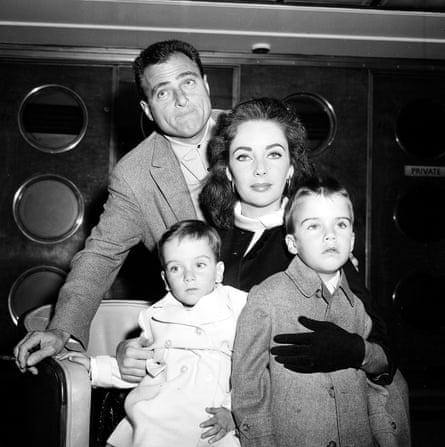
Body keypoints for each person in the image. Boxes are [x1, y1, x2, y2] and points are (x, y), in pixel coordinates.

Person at [14, 39, 218, 374]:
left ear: (206, 85)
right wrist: (61, 328)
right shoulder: (133, 174)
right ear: (148, 109)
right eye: (163, 92)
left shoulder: (256, 132)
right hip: (196, 343)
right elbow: (101, 254)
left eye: (189, 82)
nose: (181, 100)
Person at [199, 97, 393, 380]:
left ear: (291, 167)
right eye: (244, 156)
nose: (260, 169)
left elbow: (385, 353)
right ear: (228, 171)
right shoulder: (208, 243)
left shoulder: (315, 240)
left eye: (274, 154)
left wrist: (356, 351)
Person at [231, 176, 400, 447]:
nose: (330, 235)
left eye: (341, 224)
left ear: (353, 239)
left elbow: (377, 389)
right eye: (313, 226)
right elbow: (249, 391)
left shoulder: (358, 305)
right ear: (292, 243)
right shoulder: (266, 298)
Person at [63, 220, 246, 447]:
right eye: (175, 268)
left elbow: (252, 370)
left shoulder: (237, 307)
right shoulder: (156, 317)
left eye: (199, 265)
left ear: (218, 271)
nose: (188, 276)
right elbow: (140, 369)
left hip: (212, 425)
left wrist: (232, 411)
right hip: (157, 422)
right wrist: (94, 368)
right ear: (165, 280)